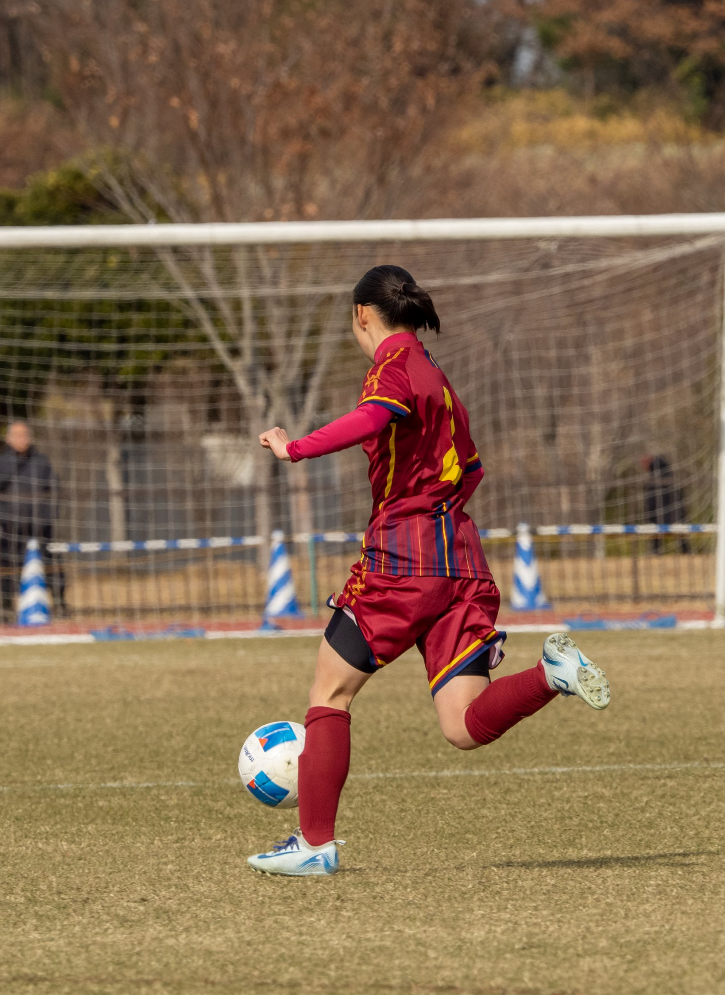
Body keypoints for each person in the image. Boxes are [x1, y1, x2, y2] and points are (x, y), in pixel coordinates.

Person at [251, 265, 610, 876]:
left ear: (363, 314)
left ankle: (314, 846)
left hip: (405, 556)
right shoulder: (438, 377)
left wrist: (296, 448)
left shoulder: (393, 370)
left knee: (329, 695)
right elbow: (469, 468)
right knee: (463, 724)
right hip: (460, 558)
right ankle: (553, 675)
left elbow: (370, 420)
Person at [0, 420, 64, 622]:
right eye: (17, 435)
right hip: (11, 526)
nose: (21, 439)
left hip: (40, 526)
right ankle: (5, 609)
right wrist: (3, 517)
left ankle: (60, 604)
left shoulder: (41, 461)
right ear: (8, 438)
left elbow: (54, 488)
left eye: (25, 435)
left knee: (52, 565)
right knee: (8, 567)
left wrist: (48, 515)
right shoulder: (3, 462)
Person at [641, 454, 688, 554]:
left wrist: (650, 516)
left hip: (660, 516)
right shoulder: (672, 477)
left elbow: (651, 501)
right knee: (681, 537)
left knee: (657, 537)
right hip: (675, 515)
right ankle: (686, 552)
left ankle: (656, 553)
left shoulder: (653, 480)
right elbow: (679, 498)